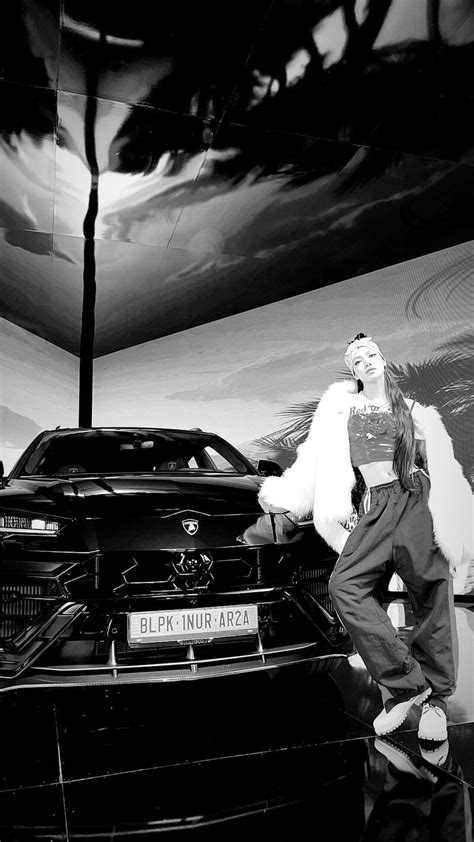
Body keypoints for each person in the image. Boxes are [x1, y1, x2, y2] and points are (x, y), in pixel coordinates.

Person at [258, 333, 472, 740]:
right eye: (358, 360)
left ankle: (436, 705)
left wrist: (450, 516)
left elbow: (440, 466)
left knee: (432, 592)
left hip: (415, 500)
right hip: (376, 507)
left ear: (383, 359)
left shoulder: (413, 411)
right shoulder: (342, 410)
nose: (367, 361)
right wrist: (286, 493)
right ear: (353, 371)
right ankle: (408, 684)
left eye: (372, 354)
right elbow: (315, 460)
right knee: (344, 585)